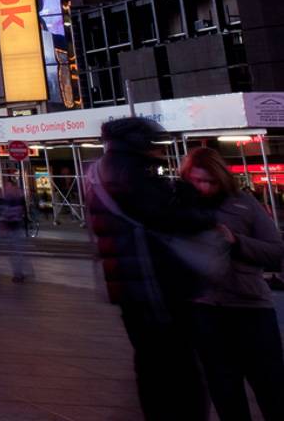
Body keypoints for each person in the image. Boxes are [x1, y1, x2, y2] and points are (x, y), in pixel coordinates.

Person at [85, 117, 218, 421]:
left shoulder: (100, 169)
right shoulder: (128, 172)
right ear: (138, 143)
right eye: (154, 145)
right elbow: (172, 216)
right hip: (151, 282)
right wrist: (193, 201)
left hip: (128, 283)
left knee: (150, 362)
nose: (158, 151)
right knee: (177, 364)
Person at [180, 147, 284, 421]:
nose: (204, 187)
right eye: (197, 180)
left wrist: (236, 242)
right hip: (205, 310)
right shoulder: (177, 208)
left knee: (271, 387)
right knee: (225, 392)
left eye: (210, 181)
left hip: (250, 306)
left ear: (222, 178)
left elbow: (276, 251)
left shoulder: (244, 204)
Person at [0, 178, 32, 282]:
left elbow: (16, 212)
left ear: (13, 186)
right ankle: (19, 272)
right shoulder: (7, 198)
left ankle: (19, 273)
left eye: (8, 186)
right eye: (6, 186)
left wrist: (4, 220)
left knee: (17, 252)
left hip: (15, 227)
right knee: (14, 253)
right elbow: (3, 212)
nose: (6, 188)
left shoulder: (16, 198)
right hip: (10, 227)